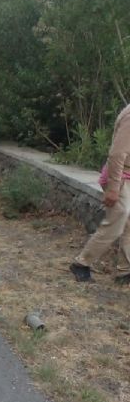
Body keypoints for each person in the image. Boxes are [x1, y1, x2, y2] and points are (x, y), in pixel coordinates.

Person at [70, 103, 130, 283]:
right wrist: (113, 188)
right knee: (117, 220)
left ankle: (125, 272)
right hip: (120, 177)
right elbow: (117, 153)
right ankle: (81, 263)